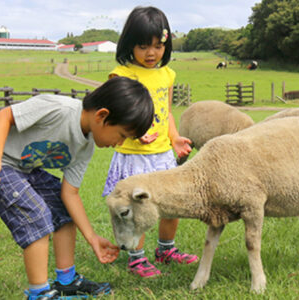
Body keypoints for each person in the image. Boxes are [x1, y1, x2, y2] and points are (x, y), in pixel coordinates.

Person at [0, 76, 154, 299]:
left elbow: (70, 194)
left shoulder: (85, 147)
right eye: (122, 135)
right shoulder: (58, 108)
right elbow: (4, 116)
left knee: (61, 207)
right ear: (102, 116)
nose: (120, 143)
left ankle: (66, 280)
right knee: (35, 213)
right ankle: (39, 293)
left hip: (24, 166)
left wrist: (92, 237)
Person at [102, 6, 198, 278]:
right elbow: (114, 116)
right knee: (137, 208)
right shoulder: (121, 76)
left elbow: (165, 112)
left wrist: (175, 137)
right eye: (143, 46)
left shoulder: (167, 75)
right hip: (134, 154)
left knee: (173, 202)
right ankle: (136, 257)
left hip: (162, 153)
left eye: (157, 46)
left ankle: (166, 249)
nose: (151, 53)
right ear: (130, 44)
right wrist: (134, 131)